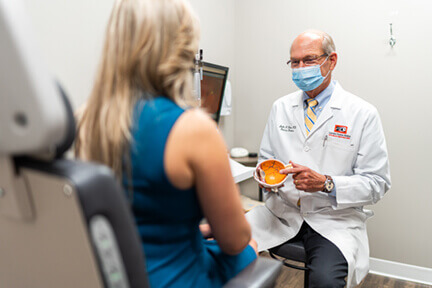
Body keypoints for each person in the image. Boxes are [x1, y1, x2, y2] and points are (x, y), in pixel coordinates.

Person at [75, 0, 257, 287]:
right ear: (181, 50)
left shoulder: (87, 120)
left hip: (115, 275)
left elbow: (136, 215)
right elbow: (234, 240)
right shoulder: (193, 128)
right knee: (249, 249)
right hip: (177, 279)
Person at [246, 30, 391, 288]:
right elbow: (266, 160)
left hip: (333, 220)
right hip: (282, 213)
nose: (300, 68)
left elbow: (377, 183)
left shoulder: (362, 113)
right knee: (225, 246)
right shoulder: (281, 107)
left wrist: (326, 183)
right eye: (294, 62)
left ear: (331, 61)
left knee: (324, 282)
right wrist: (265, 177)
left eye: (309, 60)